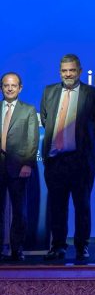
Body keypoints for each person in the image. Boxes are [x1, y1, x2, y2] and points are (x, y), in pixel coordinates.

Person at [40, 54, 95, 261]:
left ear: (80, 71)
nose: (68, 74)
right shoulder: (49, 91)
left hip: (81, 160)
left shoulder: (93, 94)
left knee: (82, 206)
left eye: (72, 70)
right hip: (55, 159)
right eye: (64, 71)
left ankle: (82, 246)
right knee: (57, 206)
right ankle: (58, 246)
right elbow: (46, 119)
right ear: (60, 72)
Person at [0, 73, 38, 261]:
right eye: (6, 85)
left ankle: (17, 248)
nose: (9, 88)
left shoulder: (28, 110)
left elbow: (32, 140)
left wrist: (28, 163)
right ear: (1, 87)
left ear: (20, 88)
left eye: (13, 85)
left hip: (19, 167)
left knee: (19, 211)